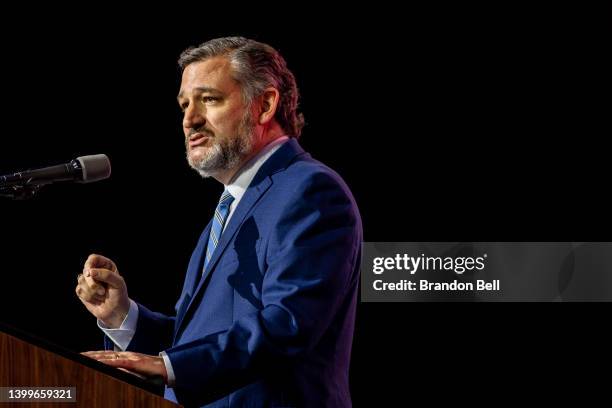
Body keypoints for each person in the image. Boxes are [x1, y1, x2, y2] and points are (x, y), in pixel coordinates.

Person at [76, 36, 362, 408]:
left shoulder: (311, 191)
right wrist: (124, 317)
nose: (189, 119)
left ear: (264, 105)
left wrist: (169, 366)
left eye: (209, 99)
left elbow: (288, 323)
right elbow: (197, 341)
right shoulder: (232, 206)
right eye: (184, 105)